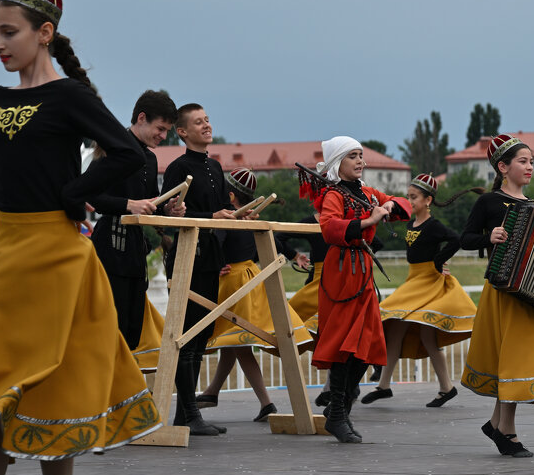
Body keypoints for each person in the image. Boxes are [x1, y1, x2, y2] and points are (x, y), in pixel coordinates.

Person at [0, 0, 161, 475]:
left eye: (8, 33)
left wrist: (72, 194)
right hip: (6, 254)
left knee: (57, 386)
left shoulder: (71, 97)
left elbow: (128, 152)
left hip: (59, 256)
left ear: (43, 33)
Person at [303, 136, 409, 444]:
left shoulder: (367, 192)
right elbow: (330, 228)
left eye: (361, 155)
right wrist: (368, 219)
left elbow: (402, 207)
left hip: (362, 273)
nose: (360, 160)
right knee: (344, 345)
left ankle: (340, 407)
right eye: (353, 155)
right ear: (338, 162)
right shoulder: (332, 194)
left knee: (368, 346)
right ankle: (338, 414)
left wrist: (388, 204)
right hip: (341, 273)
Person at [459, 134, 534, 458]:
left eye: (531, 161)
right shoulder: (489, 202)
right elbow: (467, 239)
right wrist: (490, 236)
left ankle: (497, 424)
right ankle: (506, 431)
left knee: (515, 359)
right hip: (501, 291)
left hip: (527, 293)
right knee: (510, 359)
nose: (530, 167)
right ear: (503, 167)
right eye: (523, 161)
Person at [196, 168, 314, 422]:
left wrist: (213, 264)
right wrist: (295, 255)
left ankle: (266, 403)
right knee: (234, 341)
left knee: (239, 342)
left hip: (233, 281)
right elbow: (273, 241)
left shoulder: (230, 218)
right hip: (252, 276)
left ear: (229, 195)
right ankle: (212, 392)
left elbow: (215, 240)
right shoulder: (251, 217)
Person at [161, 103, 250, 436]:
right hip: (187, 257)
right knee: (185, 335)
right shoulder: (176, 167)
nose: (206, 125)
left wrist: (238, 214)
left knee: (200, 336)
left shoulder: (214, 166)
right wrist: (211, 217)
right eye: (198, 122)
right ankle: (188, 413)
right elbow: (169, 214)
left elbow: (220, 210)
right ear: (182, 132)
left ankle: (187, 415)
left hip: (210, 255)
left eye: (208, 120)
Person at [362, 173, 479, 408]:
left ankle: (446, 387)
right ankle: (385, 386)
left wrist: (439, 260)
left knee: (425, 333)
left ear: (428, 200)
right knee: (394, 330)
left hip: (428, 282)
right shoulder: (410, 223)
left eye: (414, 197)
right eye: (408, 197)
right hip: (413, 281)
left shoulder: (434, 225)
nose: (410, 201)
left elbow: (456, 240)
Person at [89, 90, 183, 349]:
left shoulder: (150, 159)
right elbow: (89, 195)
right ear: (142, 118)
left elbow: (149, 204)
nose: (164, 137)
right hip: (108, 248)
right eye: (161, 129)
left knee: (131, 333)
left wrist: (167, 211)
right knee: (110, 331)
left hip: (134, 253)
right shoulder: (112, 148)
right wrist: (128, 205)